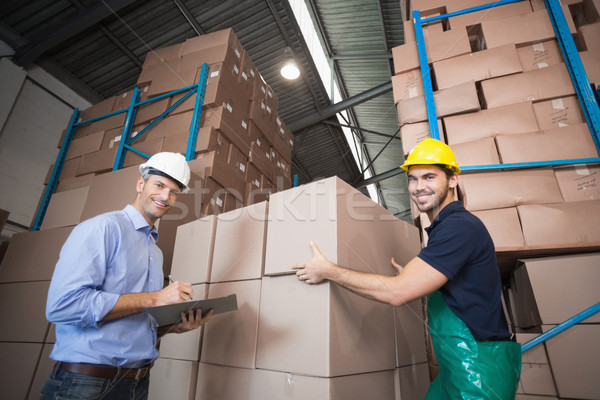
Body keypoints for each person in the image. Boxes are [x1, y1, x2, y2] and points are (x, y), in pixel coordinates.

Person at [292, 138, 521, 399]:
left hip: (479, 375)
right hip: (458, 370)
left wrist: (327, 270)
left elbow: (395, 294)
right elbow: (459, 293)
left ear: (453, 179)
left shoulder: (459, 228)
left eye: (429, 177)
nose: (419, 187)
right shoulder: (444, 230)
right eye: (413, 179)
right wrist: (414, 280)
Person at [41, 152, 214, 400]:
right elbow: (62, 306)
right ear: (140, 184)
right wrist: (155, 298)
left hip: (136, 383)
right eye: (159, 185)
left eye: (174, 191)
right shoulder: (103, 229)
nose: (166, 196)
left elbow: (132, 315)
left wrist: (169, 327)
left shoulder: (154, 251)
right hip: (85, 384)